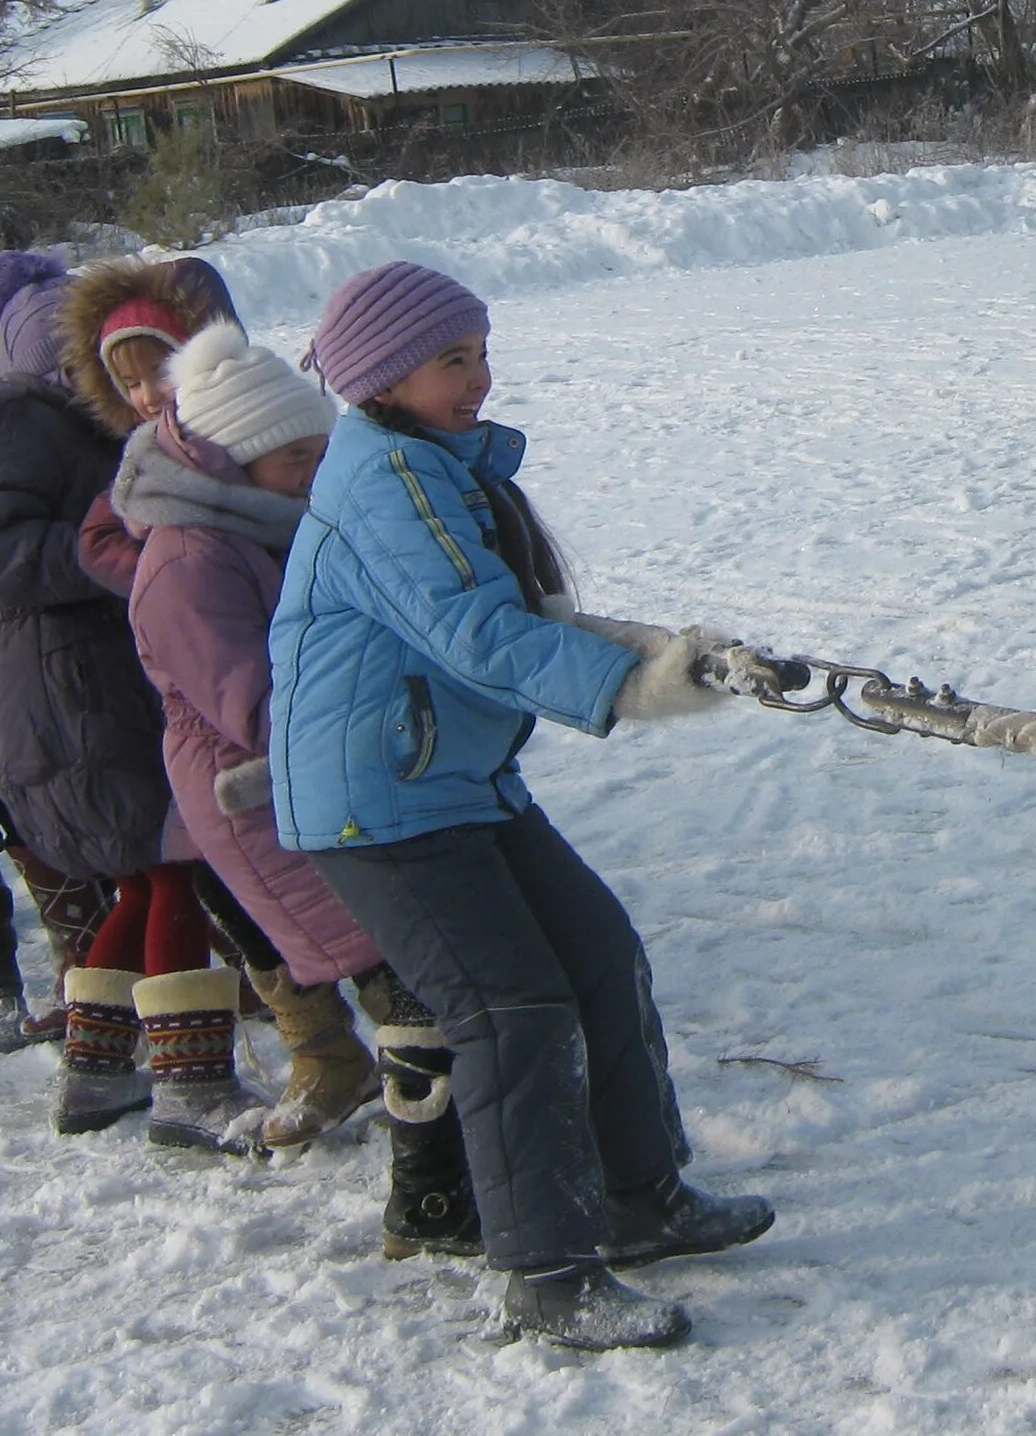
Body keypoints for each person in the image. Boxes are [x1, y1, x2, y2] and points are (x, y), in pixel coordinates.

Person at [269, 259, 773, 1347]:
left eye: (481, 353)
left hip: (451, 780)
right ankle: (547, 1274)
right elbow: (476, 636)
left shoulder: (431, 465)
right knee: (510, 1009)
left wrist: (651, 650)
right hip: (379, 803)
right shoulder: (386, 482)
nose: (478, 378)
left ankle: (641, 1198)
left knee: (596, 954)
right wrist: (634, 686)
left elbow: (512, 610)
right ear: (380, 375)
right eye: (453, 360)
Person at [118, 320, 473, 1243]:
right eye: (294, 458)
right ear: (231, 463)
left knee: (410, 973)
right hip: (264, 798)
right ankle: (431, 1197)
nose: (318, 471)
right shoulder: (189, 563)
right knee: (405, 984)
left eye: (323, 449)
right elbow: (259, 704)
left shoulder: (261, 525)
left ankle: (445, 1175)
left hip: (318, 781)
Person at [0, 251, 242, 1143]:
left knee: (140, 877)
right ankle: (191, 1087)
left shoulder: (82, 426)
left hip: (64, 681)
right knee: (171, 867)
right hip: (67, 685)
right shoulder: (24, 428)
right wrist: (125, 551)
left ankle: (94, 1074)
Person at [62, 257, 382, 1152]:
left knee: (296, 914)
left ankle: (338, 1055)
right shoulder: (189, 525)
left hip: (261, 741)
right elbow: (112, 548)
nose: (142, 392)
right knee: (268, 908)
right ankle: (320, 1059)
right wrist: (175, 575)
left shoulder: (263, 465)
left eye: (155, 369)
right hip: (236, 757)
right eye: (124, 380)